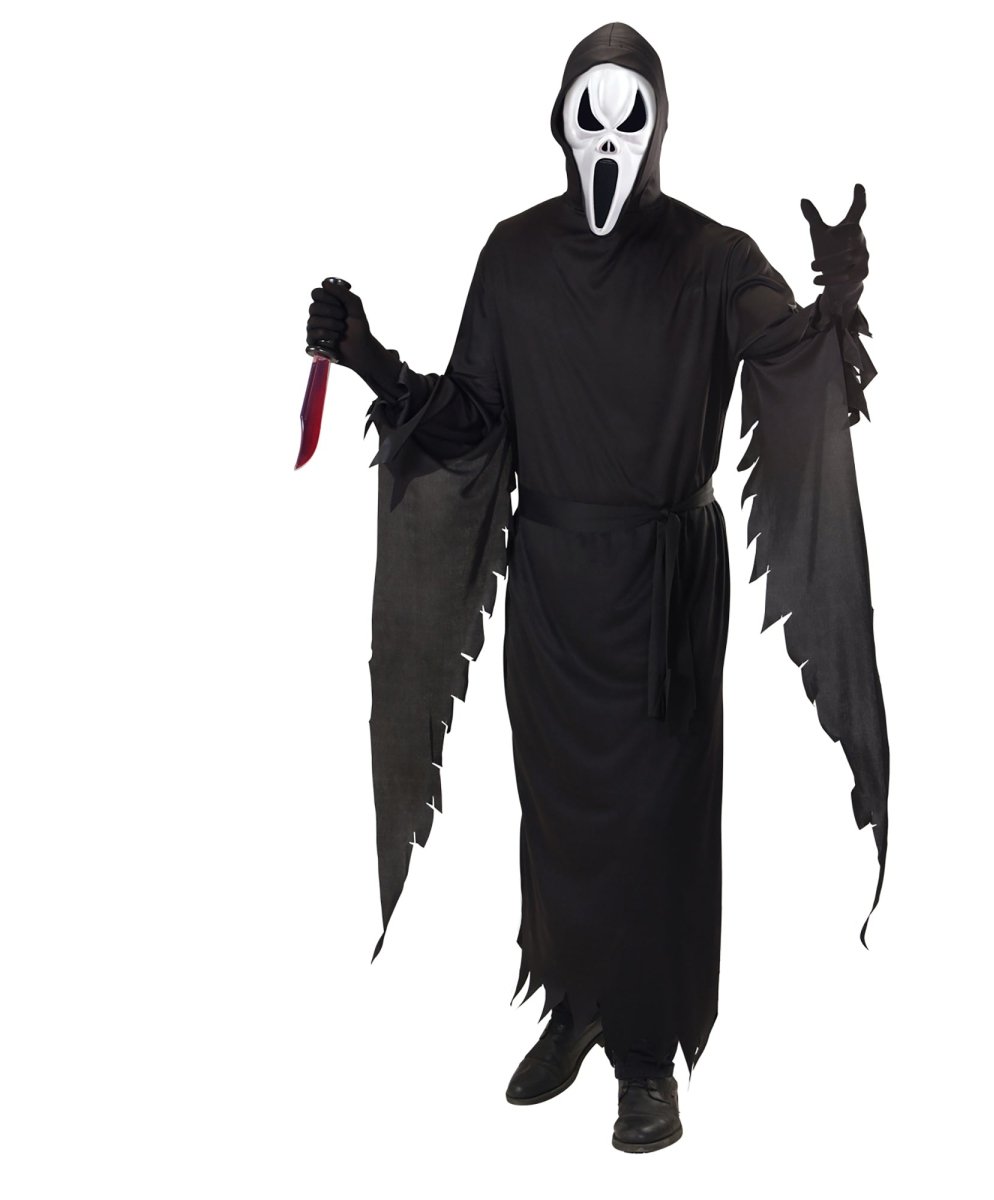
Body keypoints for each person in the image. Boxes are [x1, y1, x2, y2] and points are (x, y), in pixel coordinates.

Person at [304, 21, 889, 1155]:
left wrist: (837, 299)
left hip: (665, 595)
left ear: (659, 126)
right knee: (561, 812)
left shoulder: (714, 257)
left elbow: (791, 358)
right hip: (555, 593)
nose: (611, 138)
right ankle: (573, 1006)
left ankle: (646, 1056)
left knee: (657, 822)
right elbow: (475, 418)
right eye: (593, 114)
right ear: (562, 122)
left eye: (633, 116)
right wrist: (371, 356)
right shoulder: (514, 256)